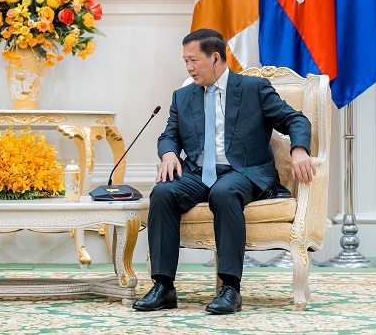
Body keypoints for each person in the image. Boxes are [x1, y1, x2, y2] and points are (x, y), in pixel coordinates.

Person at [134, 28, 315, 314]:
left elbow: (295, 120)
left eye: (194, 60)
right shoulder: (183, 97)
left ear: (215, 58)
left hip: (244, 171)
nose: (189, 68)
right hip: (197, 174)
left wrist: (299, 150)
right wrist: (168, 153)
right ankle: (163, 286)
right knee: (163, 192)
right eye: (185, 61)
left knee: (224, 191)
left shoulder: (254, 89)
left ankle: (230, 288)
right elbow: (168, 135)